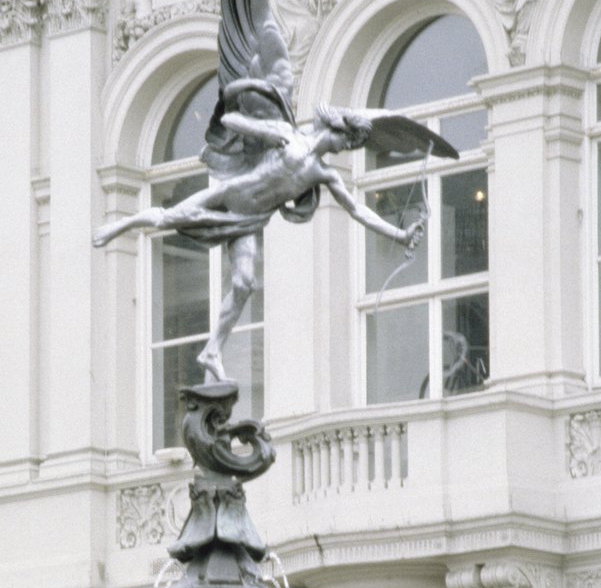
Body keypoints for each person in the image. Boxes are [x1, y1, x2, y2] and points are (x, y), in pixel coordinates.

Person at [94, 97, 426, 382]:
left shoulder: (324, 173)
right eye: (349, 141)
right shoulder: (286, 136)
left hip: (248, 221)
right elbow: (230, 120)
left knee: (244, 284)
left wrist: (400, 234)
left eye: (352, 145)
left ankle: (211, 352)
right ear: (338, 130)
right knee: (170, 218)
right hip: (227, 194)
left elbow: (356, 210)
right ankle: (122, 224)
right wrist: (258, 127)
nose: (346, 148)